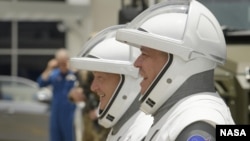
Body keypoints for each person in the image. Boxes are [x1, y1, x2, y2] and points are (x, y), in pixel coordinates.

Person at [115, 0, 235, 140]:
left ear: (177, 62)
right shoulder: (181, 117)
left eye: (145, 54)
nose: (137, 63)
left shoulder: (196, 123)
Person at [70, 24, 153, 141]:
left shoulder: (142, 133)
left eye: (100, 77)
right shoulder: (125, 129)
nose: (93, 87)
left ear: (126, 82)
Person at [37, 48, 77, 141]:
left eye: (64, 61)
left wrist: (70, 67)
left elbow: (82, 82)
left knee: (70, 137)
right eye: (60, 62)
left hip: (69, 113)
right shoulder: (54, 74)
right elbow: (40, 83)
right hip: (56, 112)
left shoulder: (73, 75)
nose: (62, 65)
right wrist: (49, 67)